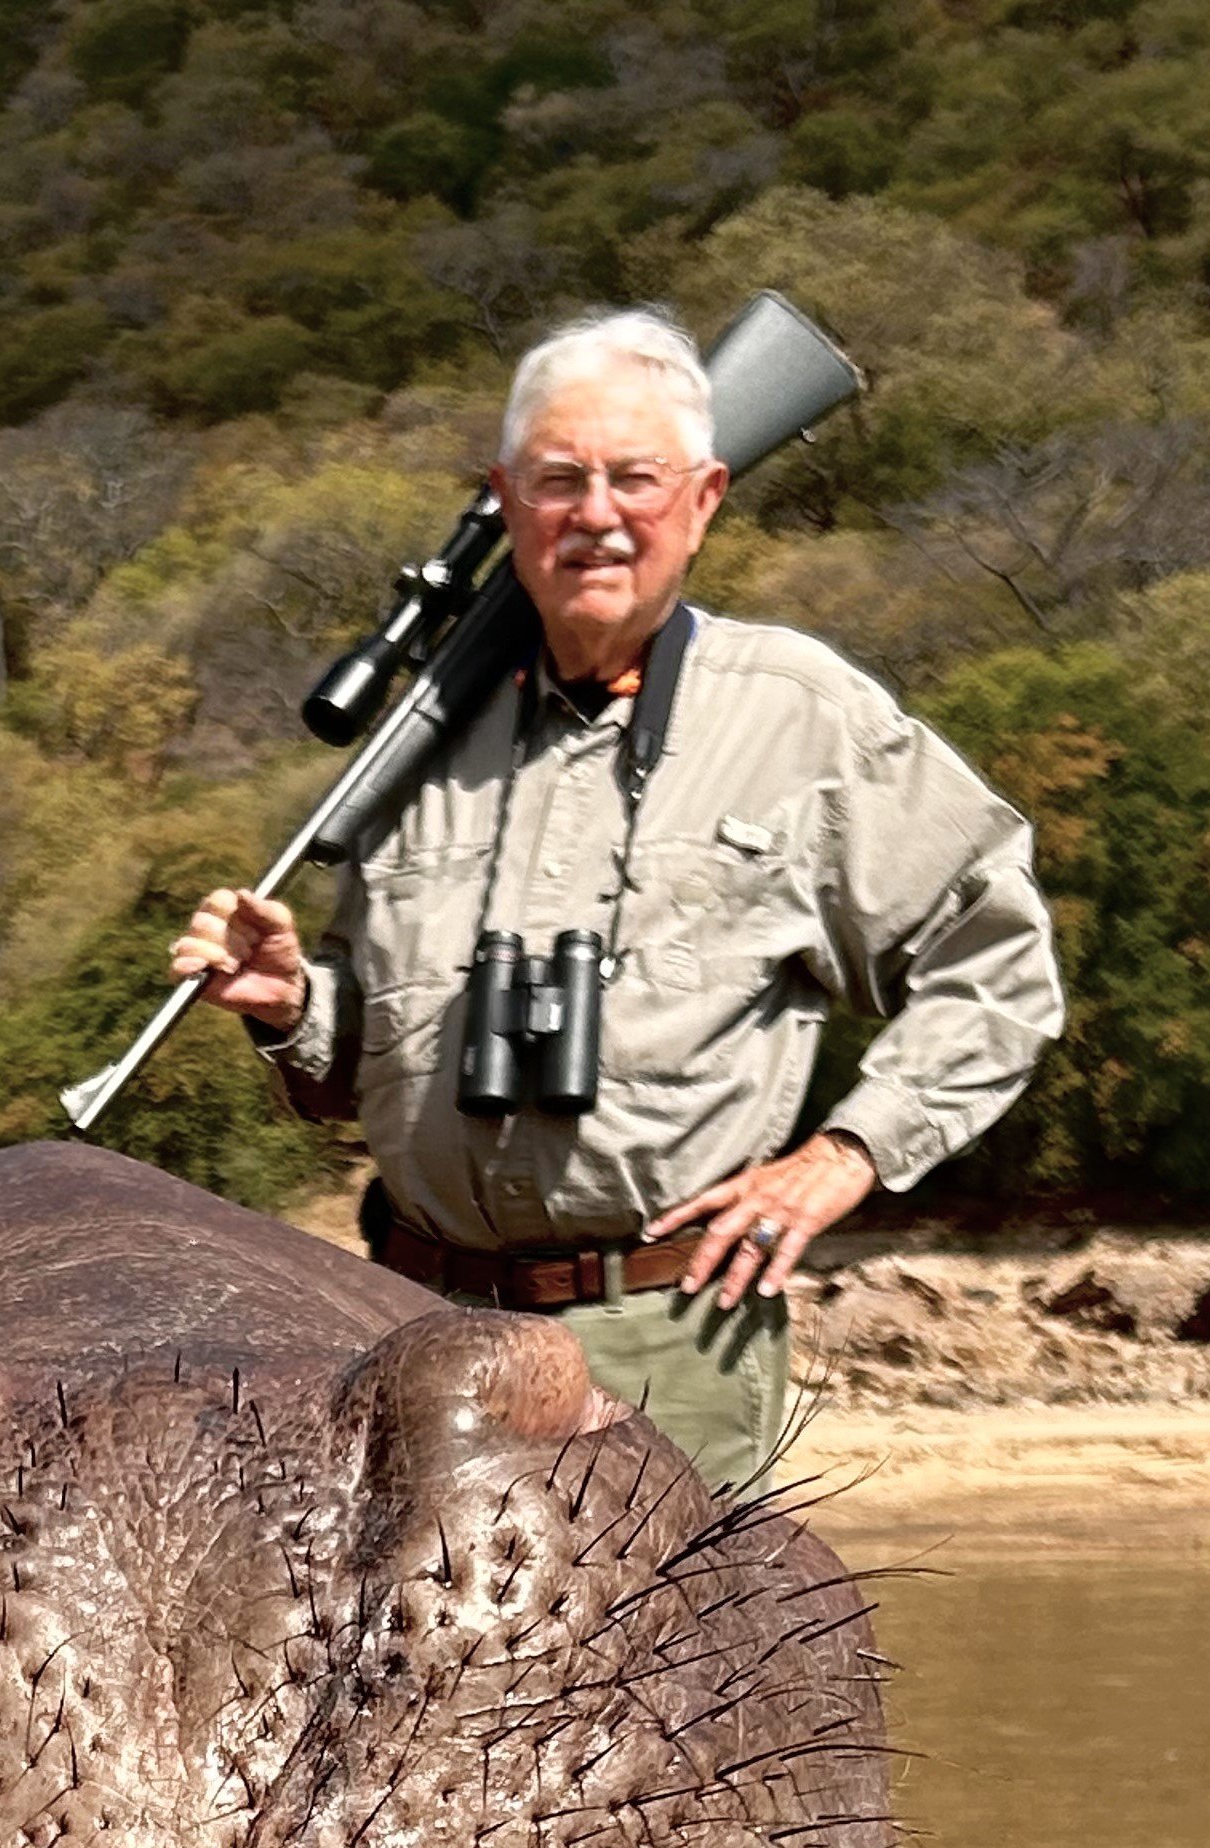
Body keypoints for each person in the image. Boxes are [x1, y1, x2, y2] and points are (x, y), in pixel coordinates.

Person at [169, 306, 1061, 1497]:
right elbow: (356, 1078)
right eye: (559, 480)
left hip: (667, 1348)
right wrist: (289, 1009)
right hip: (406, 1328)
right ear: (505, 501)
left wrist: (850, 1152)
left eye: (635, 478)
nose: (596, 513)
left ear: (703, 499)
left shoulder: (801, 714)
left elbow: (999, 960)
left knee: (666, 1686)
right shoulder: (417, 739)